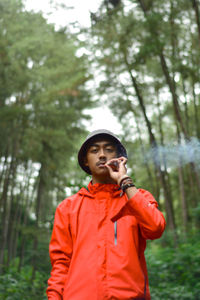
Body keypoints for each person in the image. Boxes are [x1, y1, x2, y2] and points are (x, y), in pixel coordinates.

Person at [47, 129, 166, 300]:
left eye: (109, 149)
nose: (102, 155)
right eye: (94, 150)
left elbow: (156, 228)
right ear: (85, 161)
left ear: (119, 158)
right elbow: (61, 263)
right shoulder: (68, 207)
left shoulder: (138, 197)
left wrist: (125, 181)